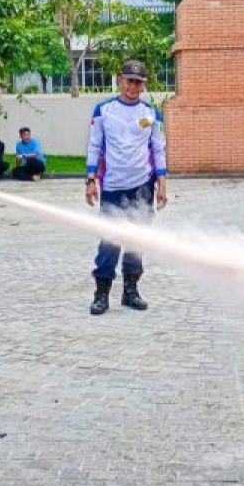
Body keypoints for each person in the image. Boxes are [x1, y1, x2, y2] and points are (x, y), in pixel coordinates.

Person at [85, 60, 168, 316]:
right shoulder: (104, 110)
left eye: (139, 82)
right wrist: (90, 180)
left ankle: (130, 291)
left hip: (142, 186)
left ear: (144, 85)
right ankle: (101, 294)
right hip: (112, 186)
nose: (133, 86)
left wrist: (162, 184)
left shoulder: (151, 113)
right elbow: (94, 146)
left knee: (136, 240)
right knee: (109, 241)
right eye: (129, 80)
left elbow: (158, 149)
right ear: (120, 80)